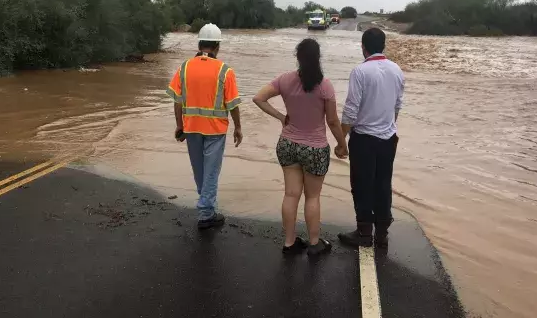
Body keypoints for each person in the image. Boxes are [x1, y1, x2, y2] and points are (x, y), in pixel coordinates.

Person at [253, 38, 348, 256]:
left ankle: (289, 243)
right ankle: (314, 244)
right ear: (318, 58)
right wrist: (343, 145)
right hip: (314, 149)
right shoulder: (325, 85)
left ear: (298, 57)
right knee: (312, 197)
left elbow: (258, 98)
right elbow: (332, 121)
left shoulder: (285, 80)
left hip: (287, 144)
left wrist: (280, 117)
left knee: (291, 194)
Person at [166, 23, 243, 230]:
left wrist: (179, 125)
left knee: (199, 169)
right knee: (211, 171)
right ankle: (206, 212)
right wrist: (238, 127)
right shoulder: (225, 71)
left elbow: (177, 100)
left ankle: (206, 204)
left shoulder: (185, 67)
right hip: (215, 130)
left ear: (200, 43)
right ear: (217, 46)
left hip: (191, 127)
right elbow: (233, 104)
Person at [338, 27, 405, 248]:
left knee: (362, 185)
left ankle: (364, 232)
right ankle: (383, 233)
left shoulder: (360, 72)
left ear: (363, 47)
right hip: (388, 138)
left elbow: (351, 110)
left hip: (364, 139)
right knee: (383, 184)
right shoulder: (397, 70)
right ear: (383, 45)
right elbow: (397, 107)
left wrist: (341, 141)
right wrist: (388, 126)